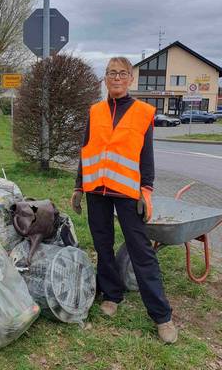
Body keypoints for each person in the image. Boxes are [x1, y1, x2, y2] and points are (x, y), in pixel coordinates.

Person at [70, 57, 178, 344]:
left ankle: (162, 316)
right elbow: (86, 149)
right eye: (110, 73)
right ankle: (111, 295)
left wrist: (147, 190)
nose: (116, 78)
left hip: (128, 193)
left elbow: (147, 157)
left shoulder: (143, 112)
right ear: (105, 78)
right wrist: (79, 186)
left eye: (121, 73)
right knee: (103, 246)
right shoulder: (95, 111)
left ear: (130, 79)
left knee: (141, 252)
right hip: (97, 191)